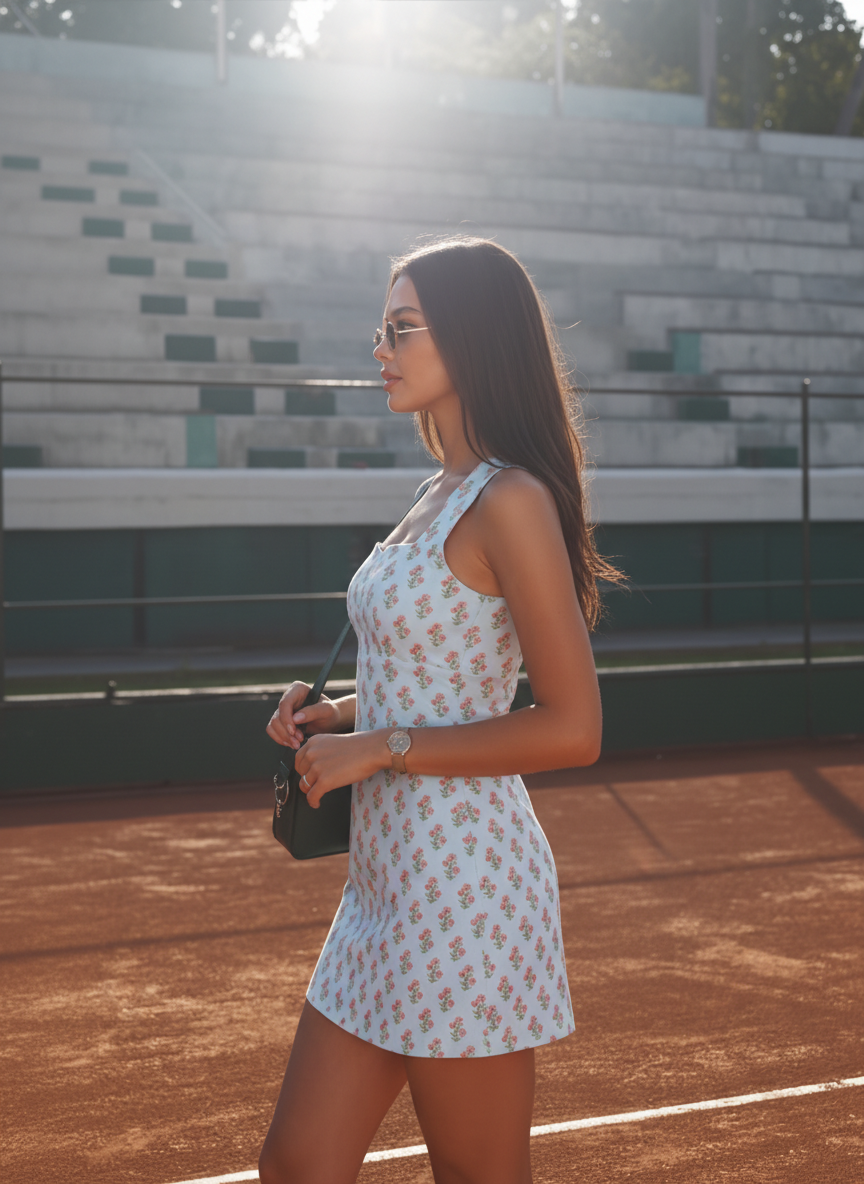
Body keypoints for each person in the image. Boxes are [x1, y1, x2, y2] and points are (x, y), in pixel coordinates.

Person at [260, 236, 620, 1184]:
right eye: (381, 326)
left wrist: (381, 746)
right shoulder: (435, 493)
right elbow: (437, 672)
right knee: (297, 1166)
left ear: (471, 337)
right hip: (382, 889)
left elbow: (572, 727)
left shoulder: (511, 501)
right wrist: (336, 717)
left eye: (401, 327)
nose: (380, 345)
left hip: (467, 894)